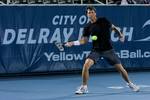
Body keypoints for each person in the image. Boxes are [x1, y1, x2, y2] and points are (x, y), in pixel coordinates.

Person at [65, 6, 140, 94]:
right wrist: (73, 43)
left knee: (120, 68)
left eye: (92, 12)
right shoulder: (87, 27)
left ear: (95, 13)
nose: (90, 14)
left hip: (108, 50)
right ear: (87, 15)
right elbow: (84, 40)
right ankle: (84, 87)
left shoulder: (103, 21)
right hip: (96, 50)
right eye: (89, 12)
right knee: (86, 65)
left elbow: (114, 28)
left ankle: (130, 84)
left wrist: (120, 35)